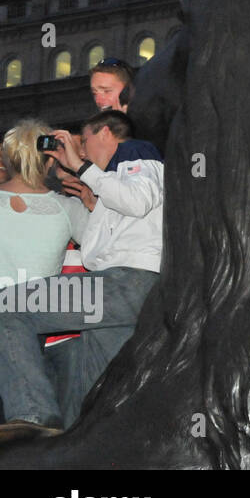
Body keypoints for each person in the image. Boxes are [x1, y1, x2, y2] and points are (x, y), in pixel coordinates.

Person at [0, 110, 163, 442]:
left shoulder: (134, 152)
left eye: (84, 140)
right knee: (85, 412)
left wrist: (84, 171)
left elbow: (138, 201)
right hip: (119, 296)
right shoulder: (102, 185)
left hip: (123, 284)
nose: (80, 150)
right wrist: (92, 202)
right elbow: (100, 245)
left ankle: (33, 412)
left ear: (105, 133)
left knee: (6, 306)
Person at [0, 121, 88, 288]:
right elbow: (106, 251)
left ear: (6, 161)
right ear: (50, 162)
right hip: (38, 307)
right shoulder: (69, 209)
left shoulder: (68, 208)